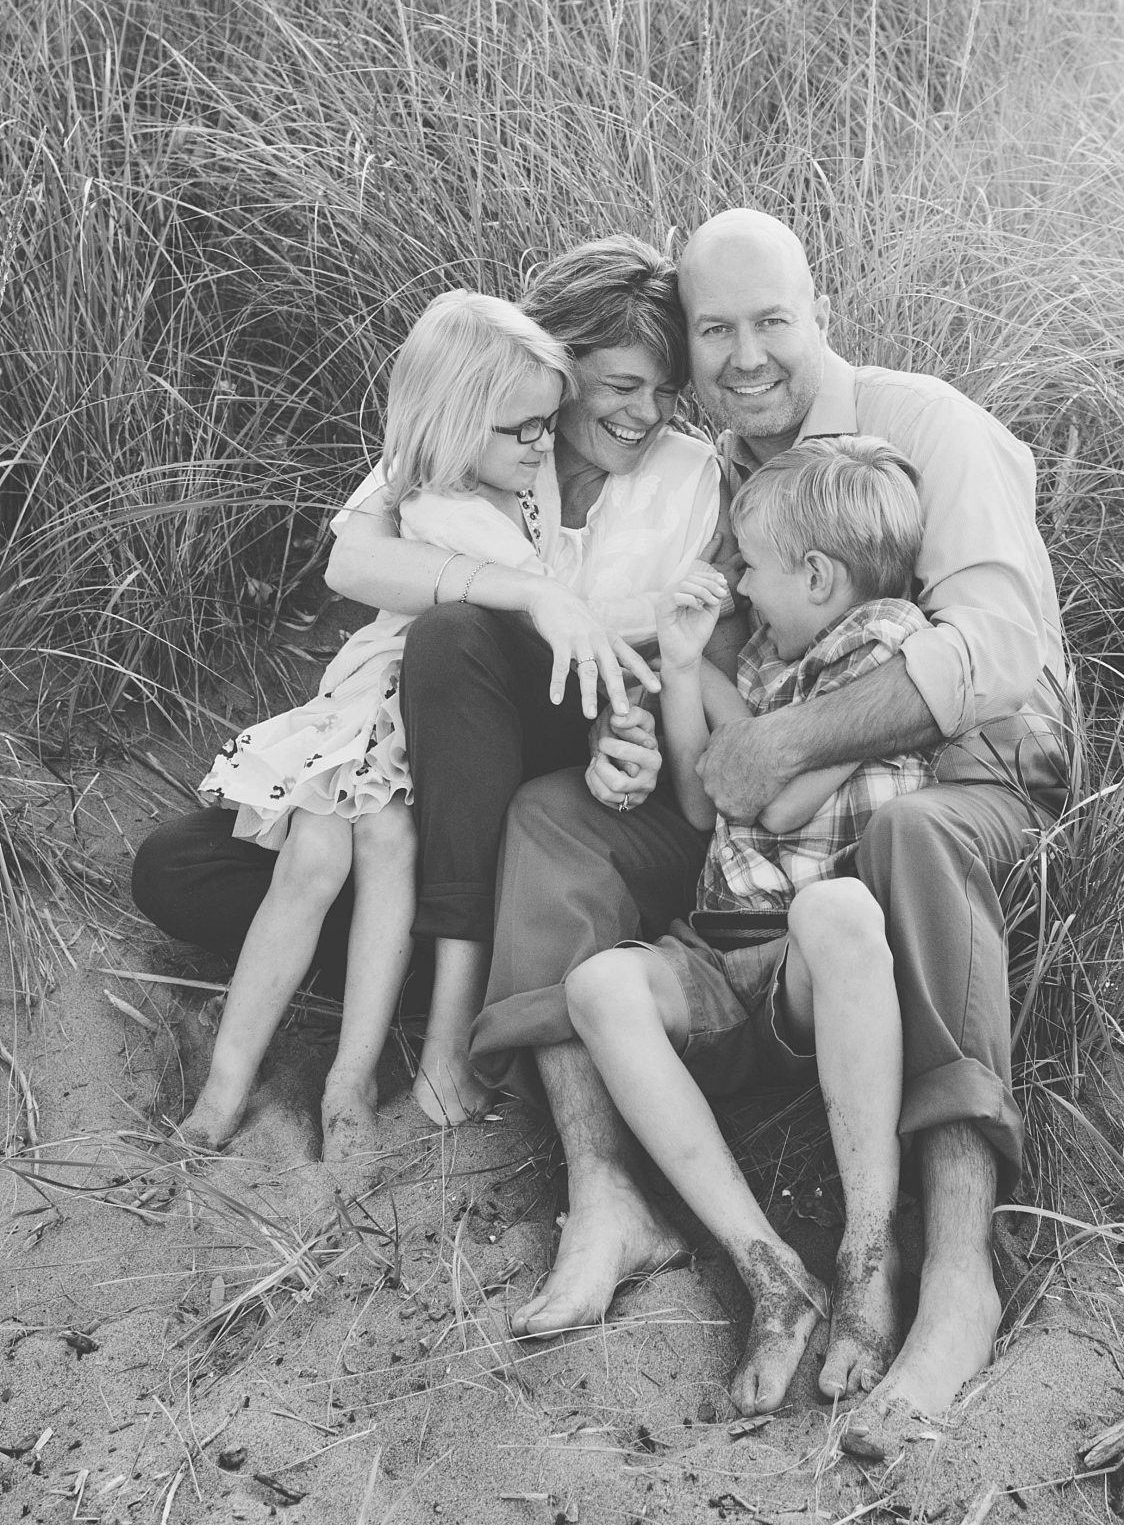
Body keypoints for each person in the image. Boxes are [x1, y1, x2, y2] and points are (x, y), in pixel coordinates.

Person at [467, 209, 1071, 1458]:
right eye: (715, 330)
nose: (745, 356)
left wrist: (791, 743)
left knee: (906, 839)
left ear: (818, 315)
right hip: (757, 833)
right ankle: (604, 1186)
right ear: (687, 346)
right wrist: (634, 734)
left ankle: (952, 1268)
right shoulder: (718, 475)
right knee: (554, 819)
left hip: (964, 766)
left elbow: (1000, 651)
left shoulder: (925, 427)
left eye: (771, 322)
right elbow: (706, 681)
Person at [132, 238, 738, 1126]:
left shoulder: (682, 477)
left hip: (560, 749)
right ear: (558, 365)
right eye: (621, 386)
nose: (647, 414)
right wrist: (530, 593)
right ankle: (461, 959)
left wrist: (628, 726)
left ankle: (453, 1012)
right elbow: (354, 559)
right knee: (177, 867)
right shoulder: (478, 421)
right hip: (435, 747)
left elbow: (683, 645)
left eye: (666, 391)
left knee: (453, 636)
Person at [567, 438, 934, 1416]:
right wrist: (684, 665)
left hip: (815, 959)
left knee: (835, 905)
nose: (738, 584)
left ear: (815, 575)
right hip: (719, 944)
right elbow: (703, 801)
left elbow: (768, 799)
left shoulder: (886, 641)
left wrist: (728, 710)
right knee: (598, 984)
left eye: (752, 566)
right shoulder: (771, 661)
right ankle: (768, 1268)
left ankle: (867, 1250)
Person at [177, 290, 589, 1161]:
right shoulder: (437, 496)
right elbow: (523, 586)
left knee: (381, 849)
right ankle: (230, 1085)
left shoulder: (517, 477)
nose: (542, 442)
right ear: (456, 423)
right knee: (318, 857)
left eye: (549, 423)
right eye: (523, 428)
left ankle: (348, 1080)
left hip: (430, 711)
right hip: (379, 702)